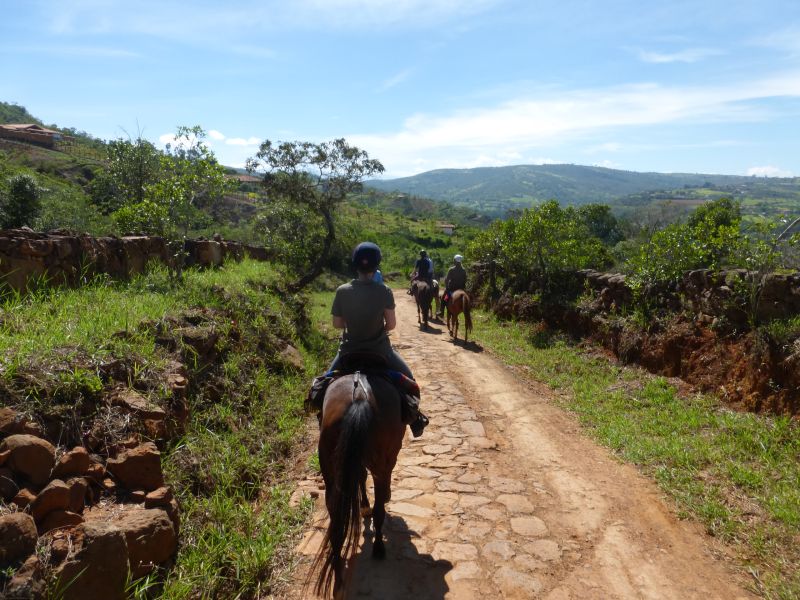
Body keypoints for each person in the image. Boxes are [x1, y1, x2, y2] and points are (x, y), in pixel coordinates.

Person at [308, 242, 429, 437]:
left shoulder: (342, 290)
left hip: (348, 353)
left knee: (321, 386)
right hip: (381, 352)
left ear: (355, 264)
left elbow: (337, 324)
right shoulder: (385, 291)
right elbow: (391, 325)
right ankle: (415, 420)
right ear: (376, 265)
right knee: (411, 384)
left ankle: (322, 420)